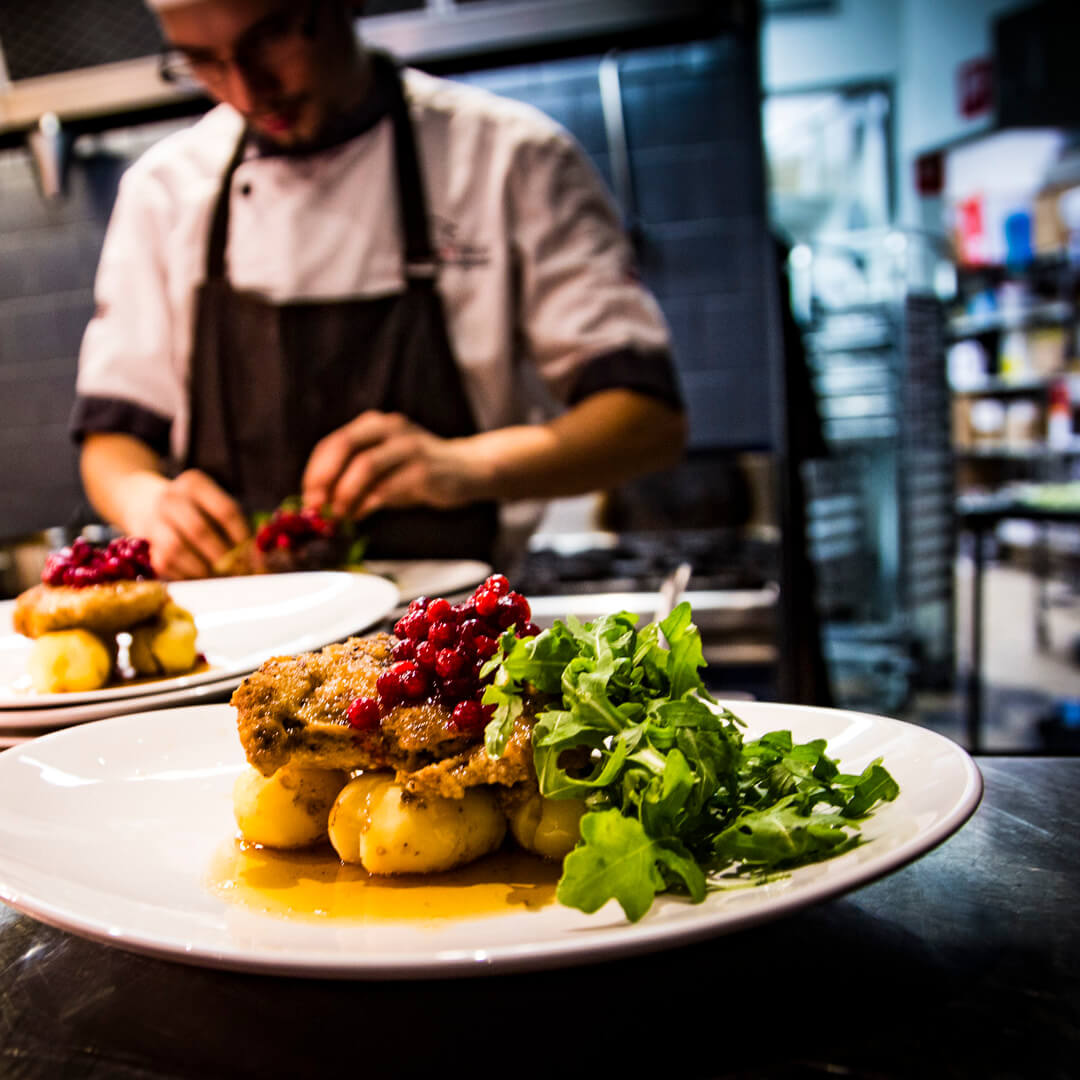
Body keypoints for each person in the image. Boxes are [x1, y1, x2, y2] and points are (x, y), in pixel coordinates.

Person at [71, 0, 687, 579]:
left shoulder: (510, 157)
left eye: (272, 37)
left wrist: (463, 467)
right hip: (242, 638)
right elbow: (113, 440)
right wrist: (146, 501)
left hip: (452, 644)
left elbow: (645, 420)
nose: (247, 90)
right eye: (202, 60)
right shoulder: (164, 191)